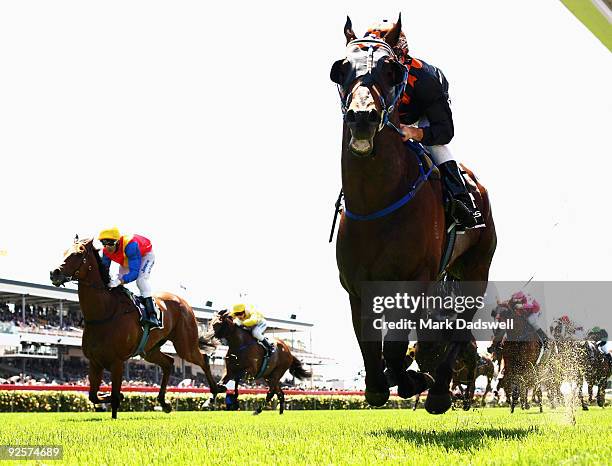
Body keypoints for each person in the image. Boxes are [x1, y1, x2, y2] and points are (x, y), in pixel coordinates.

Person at [364, 20, 482, 229]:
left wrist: (415, 132)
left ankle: (463, 200)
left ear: (399, 56)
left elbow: (445, 131)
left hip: (423, 112)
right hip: (397, 111)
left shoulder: (425, 79)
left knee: (434, 145)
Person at [98, 227, 160, 328]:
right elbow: (104, 270)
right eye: (104, 244)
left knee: (141, 280)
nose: (107, 247)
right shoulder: (105, 251)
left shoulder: (131, 246)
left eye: (110, 244)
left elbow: (134, 273)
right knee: (116, 282)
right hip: (127, 257)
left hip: (145, 255)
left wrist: (119, 281)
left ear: (117, 242)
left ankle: (152, 315)